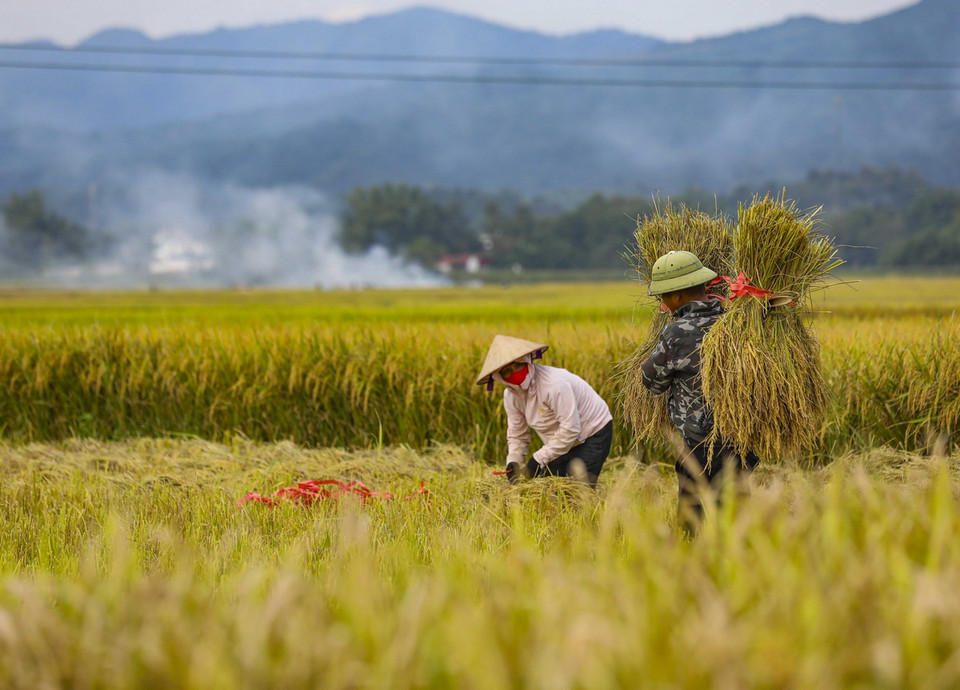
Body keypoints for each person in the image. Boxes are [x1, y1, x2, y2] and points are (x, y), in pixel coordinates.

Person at [640, 250, 759, 534]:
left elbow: (651, 382)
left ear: (678, 297)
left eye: (663, 297)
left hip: (699, 443)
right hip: (740, 439)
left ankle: (695, 570)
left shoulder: (677, 333)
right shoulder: (736, 321)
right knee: (736, 520)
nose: (663, 303)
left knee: (692, 522)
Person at [476, 335, 613, 488]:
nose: (515, 372)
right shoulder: (510, 397)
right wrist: (513, 461)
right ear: (500, 377)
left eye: (518, 365)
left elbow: (571, 428)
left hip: (592, 432)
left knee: (578, 492)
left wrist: (537, 459)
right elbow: (517, 434)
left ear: (527, 361)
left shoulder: (554, 385)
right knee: (550, 487)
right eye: (507, 371)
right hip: (561, 441)